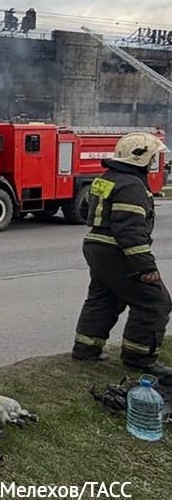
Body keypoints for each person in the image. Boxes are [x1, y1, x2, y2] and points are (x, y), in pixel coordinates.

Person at [72, 132, 172, 382]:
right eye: (152, 157)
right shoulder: (132, 186)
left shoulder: (106, 178)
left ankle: (86, 349)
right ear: (141, 158)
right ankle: (139, 357)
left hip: (97, 246)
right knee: (154, 301)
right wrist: (145, 266)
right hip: (118, 251)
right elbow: (130, 230)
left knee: (104, 298)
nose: (153, 162)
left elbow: (87, 209)